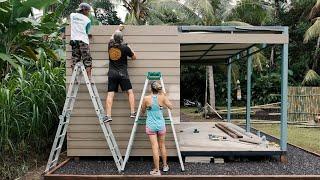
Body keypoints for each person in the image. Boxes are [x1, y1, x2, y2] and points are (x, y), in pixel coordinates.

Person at [104, 25, 137, 122]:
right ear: (122, 40)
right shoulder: (125, 48)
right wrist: (130, 48)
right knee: (129, 92)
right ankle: (132, 113)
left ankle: (108, 116)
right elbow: (134, 57)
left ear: (114, 39)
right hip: (123, 74)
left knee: (110, 95)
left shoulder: (110, 45)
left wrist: (118, 28)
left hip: (112, 74)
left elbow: (112, 36)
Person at [141, 81, 172, 176]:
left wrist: (148, 107)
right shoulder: (162, 97)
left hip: (151, 126)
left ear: (151, 89)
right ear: (158, 89)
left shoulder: (146, 98)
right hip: (161, 125)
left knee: (155, 147)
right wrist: (164, 96)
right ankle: (165, 166)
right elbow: (171, 107)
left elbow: (142, 111)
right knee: (162, 145)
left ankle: (157, 170)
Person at [69, 3, 93, 78]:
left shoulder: (72, 15)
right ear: (84, 10)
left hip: (74, 41)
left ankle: (74, 77)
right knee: (87, 59)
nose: (88, 13)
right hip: (83, 41)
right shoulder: (88, 20)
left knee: (75, 59)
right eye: (88, 11)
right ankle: (89, 77)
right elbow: (86, 32)